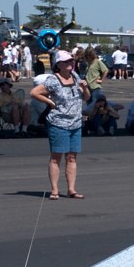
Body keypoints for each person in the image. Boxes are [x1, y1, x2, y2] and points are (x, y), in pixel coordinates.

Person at [30, 50, 90, 199]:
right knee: (56, 156)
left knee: (72, 157)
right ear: (59, 65)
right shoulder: (53, 80)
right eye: (67, 61)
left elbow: (86, 97)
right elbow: (34, 92)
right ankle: (55, 190)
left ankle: (71, 189)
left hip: (75, 122)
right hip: (58, 122)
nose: (71, 63)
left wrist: (85, 88)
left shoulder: (75, 77)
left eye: (71, 61)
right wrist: (50, 102)